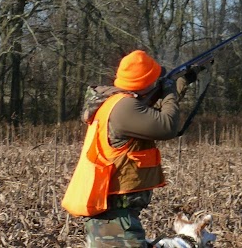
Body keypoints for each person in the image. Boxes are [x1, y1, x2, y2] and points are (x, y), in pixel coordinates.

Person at [62, 49, 198, 247]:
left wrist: (181, 82)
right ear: (145, 83)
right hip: (114, 219)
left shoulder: (119, 103)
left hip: (114, 216)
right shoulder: (124, 108)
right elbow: (167, 126)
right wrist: (169, 89)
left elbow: (155, 113)